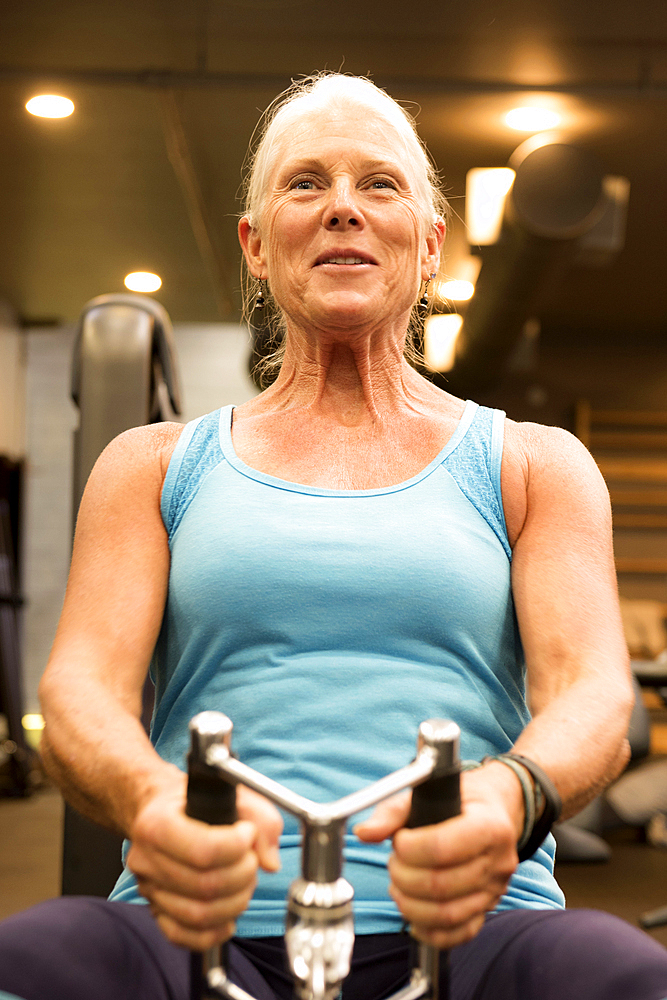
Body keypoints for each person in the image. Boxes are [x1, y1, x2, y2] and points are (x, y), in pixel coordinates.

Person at [1, 72, 666, 1000]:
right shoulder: (150, 465)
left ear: (429, 244)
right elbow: (77, 692)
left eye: (380, 184)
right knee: (34, 961)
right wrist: (150, 797)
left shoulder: (531, 464)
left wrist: (509, 794)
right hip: (198, 922)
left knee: (623, 977)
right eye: (305, 183)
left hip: (475, 922)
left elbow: (592, 695)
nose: (343, 208)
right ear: (257, 247)